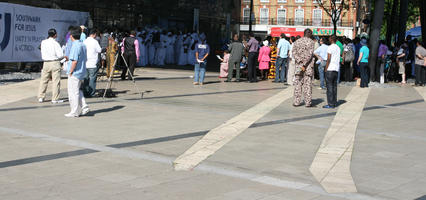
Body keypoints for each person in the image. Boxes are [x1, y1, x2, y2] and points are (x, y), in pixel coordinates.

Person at [65, 27, 90, 117]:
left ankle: (74, 111)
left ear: (71, 36)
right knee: (78, 90)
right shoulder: (83, 45)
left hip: (75, 72)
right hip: (81, 71)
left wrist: (70, 71)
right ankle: (84, 106)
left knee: (73, 92)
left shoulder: (75, 46)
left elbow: (74, 61)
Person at [38, 28, 64, 104]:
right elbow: (60, 55)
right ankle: (55, 98)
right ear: (55, 35)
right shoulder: (56, 43)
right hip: (55, 62)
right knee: (56, 81)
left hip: (45, 63)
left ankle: (41, 97)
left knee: (43, 80)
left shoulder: (43, 42)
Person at [292, 29, 315, 107]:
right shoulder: (311, 42)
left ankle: (296, 102)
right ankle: (308, 102)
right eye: (311, 33)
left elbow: (294, 53)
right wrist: (304, 64)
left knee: (298, 84)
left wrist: (300, 61)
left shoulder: (297, 41)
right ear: (309, 33)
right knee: (307, 84)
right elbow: (310, 54)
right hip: (307, 66)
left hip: (298, 66)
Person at [82, 29, 102, 97]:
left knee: (86, 79)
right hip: (93, 63)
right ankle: (91, 93)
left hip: (85, 63)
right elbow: (99, 50)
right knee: (92, 79)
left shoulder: (84, 41)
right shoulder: (95, 42)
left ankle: (85, 92)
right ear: (94, 34)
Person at [323, 35, 341, 109]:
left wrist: (326, 68)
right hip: (336, 69)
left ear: (331, 39)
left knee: (329, 87)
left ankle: (330, 104)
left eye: (329, 38)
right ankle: (334, 102)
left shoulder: (330, 47)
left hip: (330, 69)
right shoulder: (338, 48)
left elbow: (329, 59)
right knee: (334, 86)